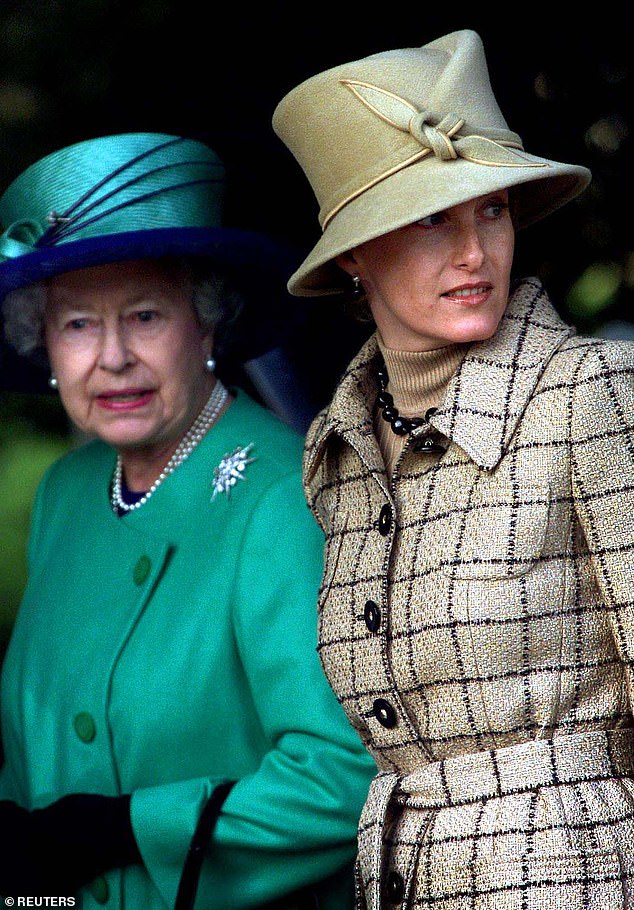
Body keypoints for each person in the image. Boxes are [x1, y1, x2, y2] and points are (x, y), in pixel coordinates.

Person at [272, 29, 634, 909]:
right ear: (354, 253)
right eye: (431, 216)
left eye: (492, 210)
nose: (474, 251)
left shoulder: (592, 392)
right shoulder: (340, 454)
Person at [0, 132, 377, 907]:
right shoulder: (66, 493)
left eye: (144, 316)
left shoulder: (278, 494)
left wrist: (131, 828)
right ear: (43, 343)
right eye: (76, 324)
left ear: (207, 326)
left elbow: (346, 777)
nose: (111, 358)